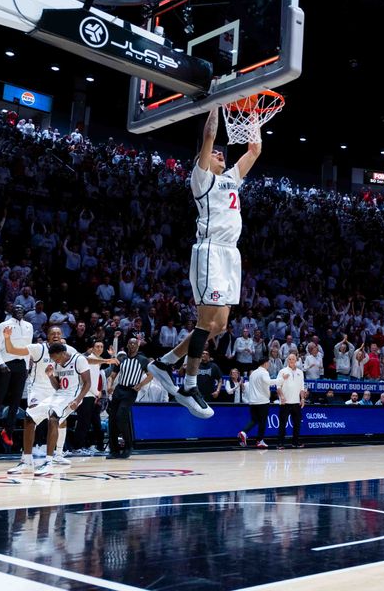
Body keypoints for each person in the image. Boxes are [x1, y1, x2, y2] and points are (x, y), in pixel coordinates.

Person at [149, 106, 261, 418]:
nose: (221, 156)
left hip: (231, 254)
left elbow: (255, 149)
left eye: (224, 155)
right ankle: (188, 384)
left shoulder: (231, 180)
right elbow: (210, 136)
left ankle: (167, 361)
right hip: (211, 250)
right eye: (217, 155)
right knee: (205, 322)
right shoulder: (201, 180)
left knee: (220, 326)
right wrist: (217, 102)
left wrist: (252, 114)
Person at [8, 343, 91, 476]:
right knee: (29, 416)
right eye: (52, 358)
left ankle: (49, 461)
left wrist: (78, 399)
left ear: (63, 353)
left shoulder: (79, 360)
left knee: (53, 418)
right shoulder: (57, 363)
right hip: (59, 395)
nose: (55, 361)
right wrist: (50, 376)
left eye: (56, 358)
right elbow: (58, 387)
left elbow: (87, 383)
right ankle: (27, 460)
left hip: (72, 397)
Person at [0, 303, 32, 449]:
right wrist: (0, 363)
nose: (19, 311)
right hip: (6, 363)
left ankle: (8, 430)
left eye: (21, 308)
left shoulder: (29, 326)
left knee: (16, 400)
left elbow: (28, 348)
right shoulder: (3, 325)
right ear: (11, 311)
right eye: (16, 309)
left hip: (21, 364)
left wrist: (27, 367)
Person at [107, 337, 154, 459]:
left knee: (121, 417)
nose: (132, 345)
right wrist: (110, 386)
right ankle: (114, 450)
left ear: (138, 346)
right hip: (119, 389)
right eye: (130, 343)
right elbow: (112, 375)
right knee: (112, 420)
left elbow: (150, 375)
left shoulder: (143, 360)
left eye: (134, 343)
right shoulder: (121, 359)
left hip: (130, 391)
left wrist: (140, 385)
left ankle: (128, 446)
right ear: (127, 345)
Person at [238, 355, 278, 448]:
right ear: (265, 363)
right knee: (262, 422)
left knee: (254, 420)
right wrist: (281, 380)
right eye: (269, 363)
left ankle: (243, 432)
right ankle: (260, 441)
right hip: (262, 402)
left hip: (252, 402)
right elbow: (269, 382)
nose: (269, 364)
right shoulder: (264, 372)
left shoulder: (253, 373)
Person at [276, 352, 305, 449]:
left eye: (293, 359)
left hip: (296, 403)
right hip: (285, 403)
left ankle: (295, 442)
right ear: (287, 360)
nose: (291, 361)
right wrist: (282, 396)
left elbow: (302, 388)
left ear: (296, 361)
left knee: (297, 424)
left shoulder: (300, 372)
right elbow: (278, 386)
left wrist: (303, 398)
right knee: (282, 424)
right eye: (289, 359)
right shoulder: (282, 371)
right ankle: (280, 443)